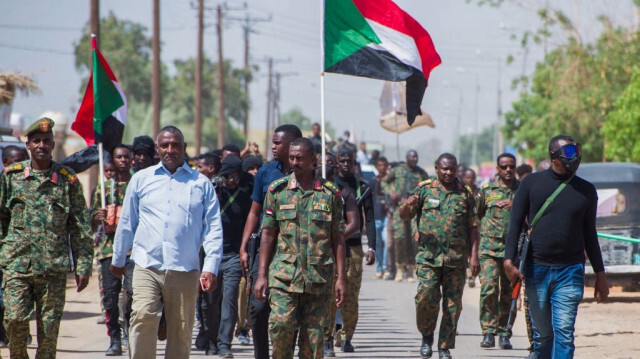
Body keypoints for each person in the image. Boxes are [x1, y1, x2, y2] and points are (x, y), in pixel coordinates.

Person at [111, 126, 224, 358]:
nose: (170, 150)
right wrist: (118, 258)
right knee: (142, 318)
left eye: (175, 145)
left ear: (184, 148)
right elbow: (127, 223)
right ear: (157, 148)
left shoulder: (201, 184)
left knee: (181, 331)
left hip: (185, 269)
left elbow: (213, 229)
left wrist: (211, 267)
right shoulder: (141, 179)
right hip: (146, 265)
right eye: (165, 145)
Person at [505, 135, 609, 359]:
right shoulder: (530, 184)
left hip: (570, 271)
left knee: (564, 333)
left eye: (577, 151)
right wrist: (508, 261)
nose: (576, 156)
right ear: (554, 156)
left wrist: (600, 274)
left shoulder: (586, 190)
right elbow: (514, 224)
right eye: (570, 152)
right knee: (543, 336)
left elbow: (590, 234)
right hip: (536, 270)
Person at [0, 117, 93, 358]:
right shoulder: (11, 177)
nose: (42, 145)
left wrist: (83, 265)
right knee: (14, 320)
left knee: (49, 333)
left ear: (52, 145)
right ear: (28, 145)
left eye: (47, 141)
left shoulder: (67, 179)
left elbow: (80, 226)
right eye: (37, 141)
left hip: (53, 268)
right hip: (17, 266)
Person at [253, 137, 347, 359]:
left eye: (300, 158)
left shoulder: (330, 194)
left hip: (318, 279)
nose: (294, 162)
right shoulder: (277, 191)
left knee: (313, 343)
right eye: (292, 158)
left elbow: (338, 238)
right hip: (284, 277)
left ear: (313, 160)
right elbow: (267, 234)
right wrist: (261, 275)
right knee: (281, 329)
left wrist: (341, 278)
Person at [399, 153, 480, 359]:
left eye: (452, 169)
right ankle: (427, 336)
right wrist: (407, 204)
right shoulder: (424, 189)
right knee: (425, 297)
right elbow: (405, 215)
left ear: (457, 169)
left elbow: (473, 227)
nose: (448, 173)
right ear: (436, 169)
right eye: (444, 169)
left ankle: (444, 346)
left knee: (453, 305)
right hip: (428, 257)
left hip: (456, 259)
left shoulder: (465, 193)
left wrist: (474, 257)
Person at [239, 124, 302, 359]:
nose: (273, 147)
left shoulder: (307, 175)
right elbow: (254, 212)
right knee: (258, 307)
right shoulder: (266, 173)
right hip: (265, 248)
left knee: (291, 309)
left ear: (292, 144)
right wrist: (244, 247)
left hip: (295, 251)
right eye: (273, 142)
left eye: (277, 143)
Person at [198, 155, 252, 357]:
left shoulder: (245, 197)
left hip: (233, 256)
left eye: (237, 177)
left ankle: (224, 344)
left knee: (229, 301)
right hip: (211, 255)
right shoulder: (212, 193)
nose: (232, 181)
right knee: (210, 302)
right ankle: (211, 340)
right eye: (229, 176)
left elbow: (250, 223)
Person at [91, 144, 134, 356]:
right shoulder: (102, 188)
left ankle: (131, 332)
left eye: (127, 156)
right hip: (108, 249)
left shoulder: (139, 184)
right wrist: (96, 217)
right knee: (110, 297)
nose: (123, 160)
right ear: (113, 161)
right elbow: (90, 223)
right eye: (119, 157)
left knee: (134, 296)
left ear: (132, 159)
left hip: (134, 251)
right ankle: (115, 338)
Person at [334, 148, 376, 352]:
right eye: (341, 161)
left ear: (354, 163)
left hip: (354, 247)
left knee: (351, 295)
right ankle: (329, 335)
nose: (345, 164)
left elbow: (370, 218)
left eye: (349, 161)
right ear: (336, 162)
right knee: (329, 294)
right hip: (330, 248)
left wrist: (373, 248)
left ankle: (347, 336)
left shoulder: (363, 188)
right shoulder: (328, 185)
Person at [318, 151, 360, 357]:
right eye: (321, 163)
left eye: (329, 163)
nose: (326, 167)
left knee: (340, 297)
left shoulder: (343, 193)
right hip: (312, 255)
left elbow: (354, 222)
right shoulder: (306, 190)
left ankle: (337, 337)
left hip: (339, 252)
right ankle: (321, 338)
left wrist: (336, 237)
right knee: (319, 298)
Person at [477, 154, 519, 350]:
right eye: (504, 167)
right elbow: (475, 218)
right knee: (489, 290)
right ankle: (488, 331)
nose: (508, 170)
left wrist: (517, 205)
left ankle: (504, 333)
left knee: (509, 294)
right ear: (497, 168)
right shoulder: (487, 191)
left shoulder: (523, 191)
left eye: (511, 166)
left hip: (513, 252)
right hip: (489, 250)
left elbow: (533, 216)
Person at [386, 150, 429, 282]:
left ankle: (410, 270)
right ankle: (399, 268)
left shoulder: (421, 173)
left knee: (413, 240)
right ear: (407, 158)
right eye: (412, 156)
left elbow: (428, 187)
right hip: (400, 208)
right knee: (399, 238)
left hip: (415, 210)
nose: (415, 159)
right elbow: (384, 182)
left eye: (416, 156)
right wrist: (391, 193)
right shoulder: (398, 170)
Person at [0, 145, 26, 347]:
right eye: (16, 161)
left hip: (17, 256)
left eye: (23, 160)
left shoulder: (29, 185)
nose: (20, 165)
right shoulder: (3, 185)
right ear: (5, 162)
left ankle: (18, 333)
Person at [370, 156, 390, 279]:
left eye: (384, 165)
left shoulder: (390, 182)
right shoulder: (372, 182)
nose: (382, 168)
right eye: (380, 165)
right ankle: (378, 269)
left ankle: (385, 267)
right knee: (377, 244)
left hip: (388, 216)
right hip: (375, 216)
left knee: (387, 242)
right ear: (377, 167)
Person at [461, 168, 481, 288]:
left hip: (476, 226)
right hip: (465, 227)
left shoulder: (479, 192)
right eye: (467, 177)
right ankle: (466, 274)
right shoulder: (462, 192)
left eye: (472, 177)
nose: (470, 180)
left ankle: (471, 276)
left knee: (473, 252)